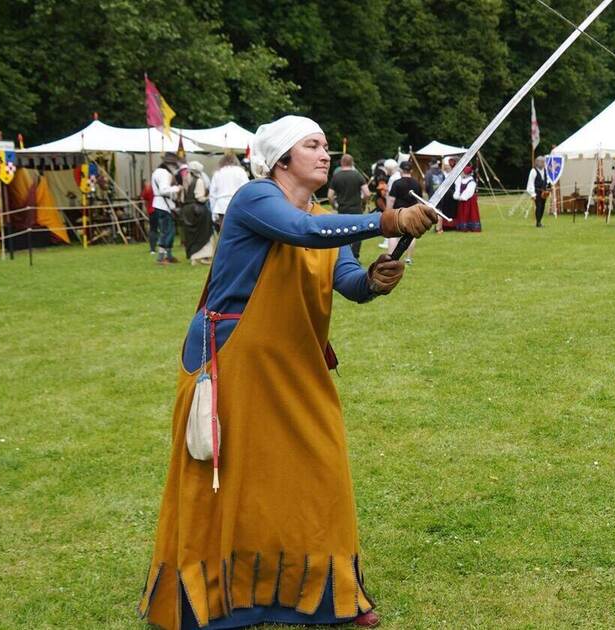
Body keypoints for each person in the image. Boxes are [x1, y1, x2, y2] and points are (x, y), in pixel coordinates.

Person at [137, 115, 438, 630]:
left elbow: (346, 278)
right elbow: (303, 232)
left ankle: (327, 595)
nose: (324, 154)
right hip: (233, 359)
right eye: (312, 145)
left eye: (326, 145)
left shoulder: (325, 217)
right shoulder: (256, 198)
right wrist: (387, 220)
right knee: (227, 483)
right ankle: (217, 598)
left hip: (296, 361)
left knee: (320, 467)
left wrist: (375, 279)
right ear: (281, 159)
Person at [327, 155, 370, 258]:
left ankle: (344, 256)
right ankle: (355, 256)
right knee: (358, 233)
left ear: (341, 163)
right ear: (352, 163)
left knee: (343, 233)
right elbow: (367, 193)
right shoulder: (358, 175)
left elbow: (330, 195)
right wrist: (363, 203)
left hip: (342, 209)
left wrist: (334, 206)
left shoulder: (336, 176)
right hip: (356, 209)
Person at [386, 160, 423, 264]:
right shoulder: (416, 183)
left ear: (400, 170)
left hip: (398, 212)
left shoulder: (396, 183)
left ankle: (390, 257)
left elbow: (391, 200)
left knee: (393, 234)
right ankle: (408, 258)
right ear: (411, 170)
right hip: (412, 212)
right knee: (411, 235)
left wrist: (388, 212)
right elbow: (420, 201)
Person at [179, 161, 214, 265]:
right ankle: (203, 256)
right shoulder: (199, 181)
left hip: (186, 210)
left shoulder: (185, 181)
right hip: (198, 210)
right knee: (204, 233)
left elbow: (182, 199)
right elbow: (199, 197)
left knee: (191, 235)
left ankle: (194, 257)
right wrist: (208, 197)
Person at [151, 153, 182, 263]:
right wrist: (177, 188)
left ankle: (166, 255)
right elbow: (163, 190)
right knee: (168, 231)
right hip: (164, 205)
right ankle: (163, 256)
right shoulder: (164, 173)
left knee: (166, 230)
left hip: (160, 204)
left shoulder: (157, 172)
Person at [209, 153, 250, 232]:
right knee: (238, 231)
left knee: (224, 232)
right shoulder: (240, 171)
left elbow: (212, 194)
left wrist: (213, 212)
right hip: (237, 205)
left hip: (221, 207)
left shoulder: (218, 173)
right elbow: (247, 189)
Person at [452, 163, 481, 232]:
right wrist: (457, 196)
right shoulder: (461, 180)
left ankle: (472, 227)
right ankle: (463, 227)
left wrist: (462, 197)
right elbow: (458, 188)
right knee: (463, 213)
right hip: (462, 200)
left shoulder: (471, 182)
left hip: (470, 201)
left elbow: (469, 192)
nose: (462, 173)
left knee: (471, 213)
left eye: (463, 172)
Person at [526, 155, 550, 228]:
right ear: (537, 162)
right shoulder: (533, 171)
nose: (543, 164)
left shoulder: (545, 170)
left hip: (544, 192)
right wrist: (533, 194)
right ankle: (538, 223)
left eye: (543, 162)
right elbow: (531, 182)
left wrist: (548, 187)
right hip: (537, 192)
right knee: (539, 206)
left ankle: (540, 221)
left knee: (543, 206)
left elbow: (547, 179)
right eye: (542, 162)